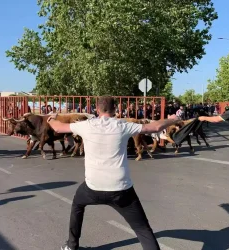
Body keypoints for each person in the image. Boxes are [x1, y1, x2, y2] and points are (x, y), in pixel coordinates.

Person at [47, 96, 180, 250]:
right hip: (121, 190)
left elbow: (57, 128)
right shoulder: (122, 126)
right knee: (142, 229)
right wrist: (172, 119)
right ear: (115, 110)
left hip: (92, 188)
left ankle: (71, 246)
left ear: (97, 109)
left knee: (77, 204)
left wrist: (51, 117)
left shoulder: (86, 125)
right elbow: (156, 127)